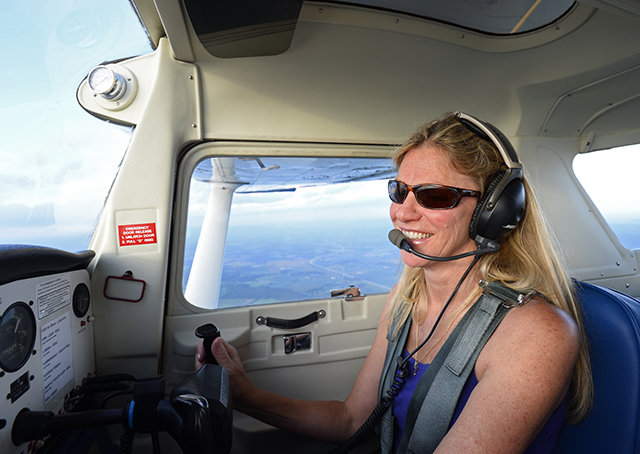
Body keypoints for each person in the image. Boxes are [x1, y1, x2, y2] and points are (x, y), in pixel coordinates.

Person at [196, 111, 593, 453]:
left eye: (434, 196)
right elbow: (352, 420)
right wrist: (246, 396)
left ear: (494, 210)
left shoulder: (536, 333)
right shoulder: (407, 297)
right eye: (399, 191)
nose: (402, 213)